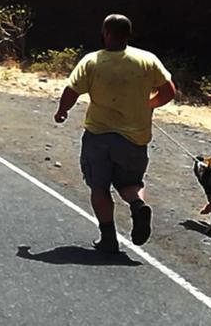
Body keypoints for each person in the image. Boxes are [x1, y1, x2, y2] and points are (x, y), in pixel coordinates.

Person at [54, 14, 176, 252]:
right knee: (130, 182)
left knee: (99, 188)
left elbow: (72, 90)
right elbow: (169, 91)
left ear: (106, 33)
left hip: (99, 135)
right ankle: (137, 204)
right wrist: (148, 104)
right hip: (135, 138)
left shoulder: (92, 61)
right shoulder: (147, 60)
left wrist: (62, 111)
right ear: (128, 34)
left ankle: (108, 239)